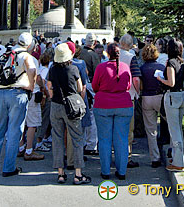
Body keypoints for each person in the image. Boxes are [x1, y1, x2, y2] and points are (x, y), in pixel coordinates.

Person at [0, 33, 37, 177]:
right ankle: (9, 167)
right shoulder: (25, 56)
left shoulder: (3, 52)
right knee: (14, 131)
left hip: (0, 93)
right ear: (29, 44)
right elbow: (32, 70)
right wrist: (31, 85)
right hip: (17, 93)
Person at [47, 43, 90, 185]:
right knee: (77, 139)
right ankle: (78, 174)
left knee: (57, 138)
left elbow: (49, 86)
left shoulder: (52, 69)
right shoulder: (73, 68)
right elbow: (79, 87)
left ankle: (60, 173)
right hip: (71, 105)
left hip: (56, 105)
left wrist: (53, 97)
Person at [92, 43, 133, 180]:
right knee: (121, 139)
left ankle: (105, 171)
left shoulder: (101, 67)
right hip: (124, 104)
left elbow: (95, 85)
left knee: (104, 139)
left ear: (107, 53)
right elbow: (128, 85)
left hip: (103, 105)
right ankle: (122, 171)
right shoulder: (125, 67)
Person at [157, 38, 184, 172]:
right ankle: (177, 157)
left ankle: (179, 162)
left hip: (172, 96)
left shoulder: (170, 63)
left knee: (173, 130)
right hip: (181, 96)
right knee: (178, 128)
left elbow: (171, 82)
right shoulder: (181, 62)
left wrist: (159, 78)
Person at [139, 44, 166, 168]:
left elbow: (140, 85)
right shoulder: (161, 67)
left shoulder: (141, 68)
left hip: (146, 97)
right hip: (160, 96)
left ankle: (155, 158)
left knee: (151, 130)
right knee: (169, 123)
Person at [119, 34, 142, 168]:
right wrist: (137, 91)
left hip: (114, 96)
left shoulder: (113, 55)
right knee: (128, 129)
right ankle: (127, 157)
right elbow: (136, 78)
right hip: (129, 96)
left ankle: (117, 154)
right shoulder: (131, 58)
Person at [18, 47, 44, 161]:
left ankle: (20, 146)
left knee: (21, 122)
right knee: (32, 123)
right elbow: (37, 77)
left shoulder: (14, 57)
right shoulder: (31, 59)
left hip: (19, 92)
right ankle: (29, 150)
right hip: (32, 92)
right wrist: (41, 86)